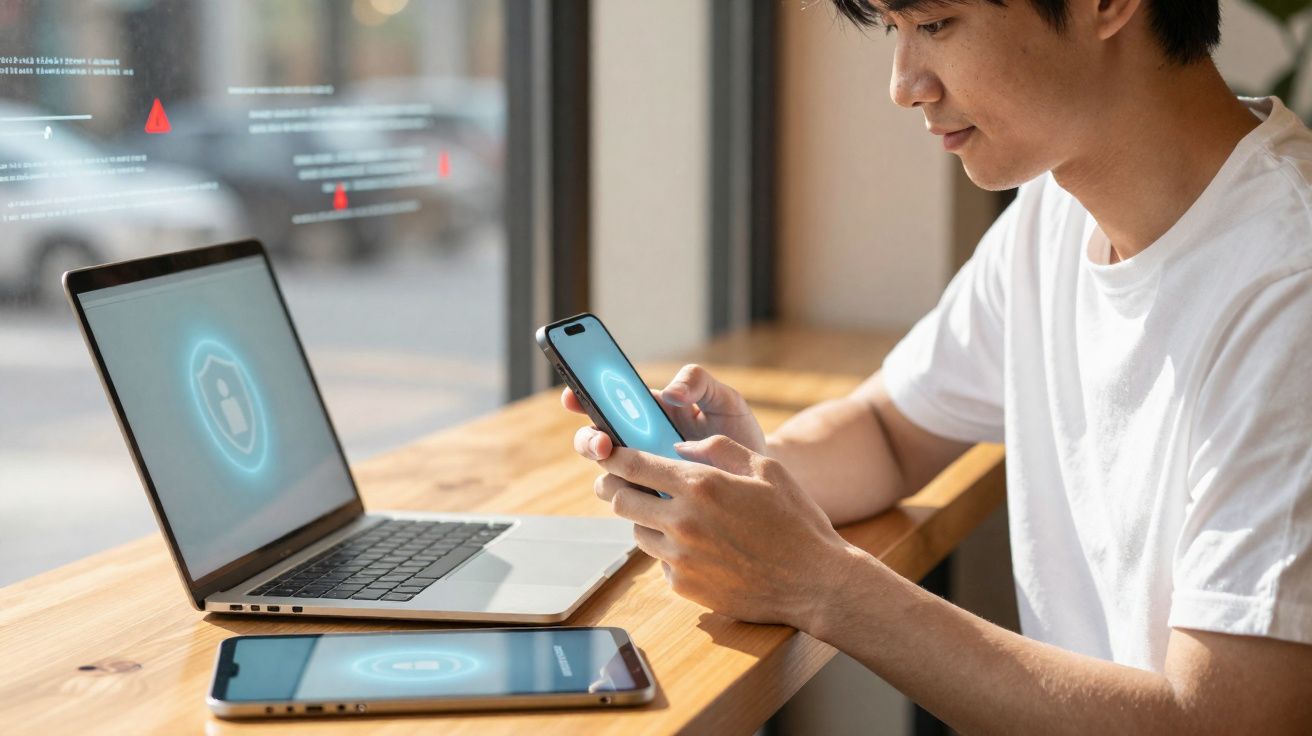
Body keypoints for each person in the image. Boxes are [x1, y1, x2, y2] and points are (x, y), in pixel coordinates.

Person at [561, 0, 1312, 731]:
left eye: (934, 25)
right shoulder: (1057, 209)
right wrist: (744, 477)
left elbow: (1223, 720)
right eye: (895, 29)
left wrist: (822, 585)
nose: (903, 84)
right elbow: (891, 428)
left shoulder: (1287, 285)